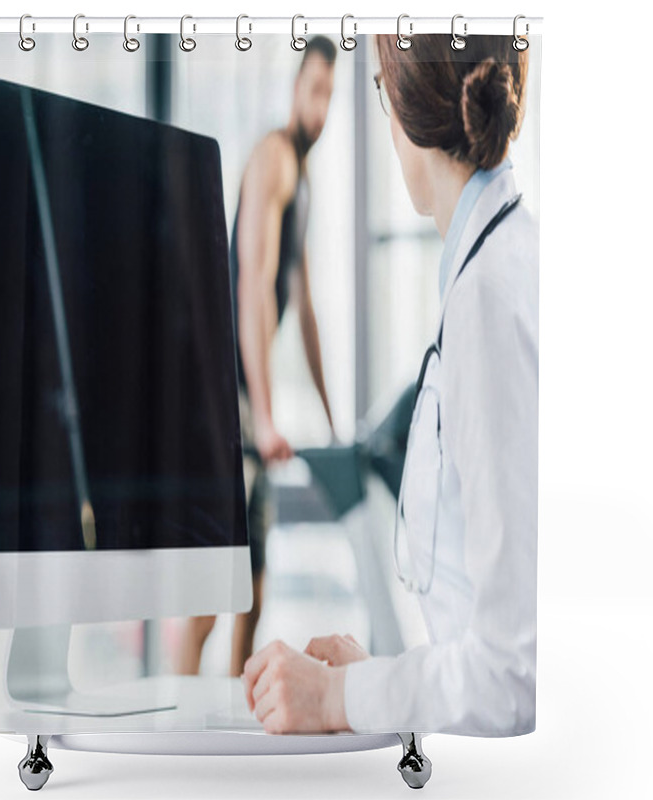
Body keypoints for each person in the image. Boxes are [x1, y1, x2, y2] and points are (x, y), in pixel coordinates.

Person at [241, 33, 538, 736]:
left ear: (403, 107)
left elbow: (510, 678)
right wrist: (374, 678)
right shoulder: (501, 261)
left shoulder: (487, 300)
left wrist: (339, 698)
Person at [176, 36, 338, 679]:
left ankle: (229, 725)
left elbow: (305, 308)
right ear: (295, 87)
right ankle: (177, 729)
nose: (322, 108)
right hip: (225, 400)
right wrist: (264, 418)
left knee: (253, 590)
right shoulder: (273, 157)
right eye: (316, 91)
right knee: (211, 596)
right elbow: (253, 286)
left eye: (332, 94)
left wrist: (331, 419)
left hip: (250, 402)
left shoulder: (306, 179)